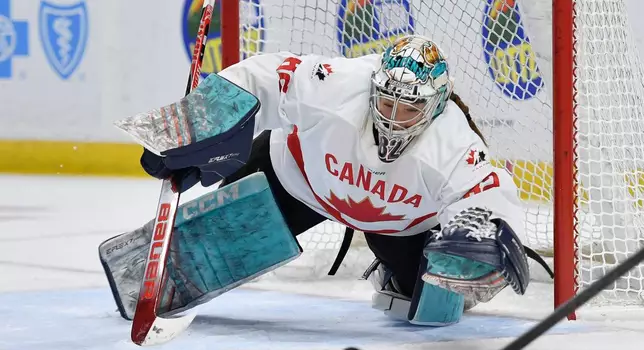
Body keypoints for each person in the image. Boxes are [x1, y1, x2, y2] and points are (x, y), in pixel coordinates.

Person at [137, 34, 542, 325]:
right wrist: (200, 122)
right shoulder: (338, 85)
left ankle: (394, 272)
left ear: (436, 105)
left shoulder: (451, 141)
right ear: (374, 87)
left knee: (433, 309)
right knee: (202, 254)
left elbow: (488, 190)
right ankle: (176, 261)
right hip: (297, 183)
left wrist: (478, 243)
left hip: (396, 223)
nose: (392, 117)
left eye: (409, 108)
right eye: (387, 101)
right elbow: (266, 77)